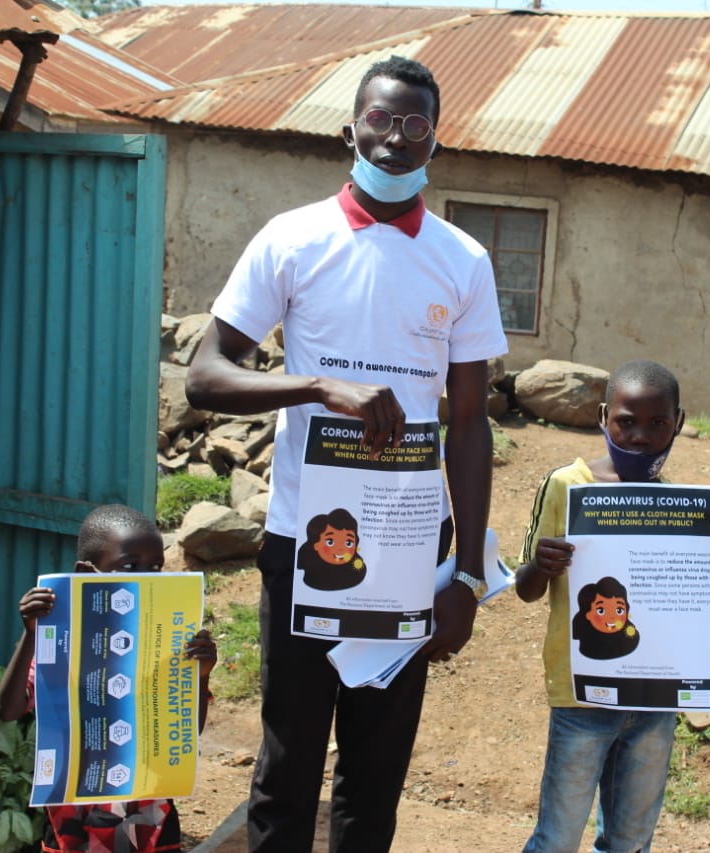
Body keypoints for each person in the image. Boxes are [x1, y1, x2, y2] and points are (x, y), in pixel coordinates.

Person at [186, 55, 508, 853]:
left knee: (376, 771)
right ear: (349, 130)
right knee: (288, 766)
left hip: (405, 547)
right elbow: (205, 374)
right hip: (304, 543)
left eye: (415, 125)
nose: (395, 139)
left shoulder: (462, 259)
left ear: (435, 140)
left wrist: (467, 574)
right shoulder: (292, 239)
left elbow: (468, 426)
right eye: (380, 120)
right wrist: (318, 388)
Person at [515, 360, 710, 853]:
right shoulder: (565, 486)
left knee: (631, 840)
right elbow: (525, 588)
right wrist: (543, 563)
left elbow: (677, 602)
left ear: (678, 424)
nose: (641, 436)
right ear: (603, 416)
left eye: (657, 423)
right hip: (582, 697)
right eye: (626, 421)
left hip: (654, 702)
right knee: (557, 837)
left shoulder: (680, 507)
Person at [0, 503, 217, 853]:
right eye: (130, 566)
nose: (145, 577)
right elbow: (8, 710)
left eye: (155, 567)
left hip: (150, 816)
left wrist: (200, 677)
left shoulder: (169, 643)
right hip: (73, 822)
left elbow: (187, 731)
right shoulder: (63, 644)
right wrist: (31, 636)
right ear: (87, 571)